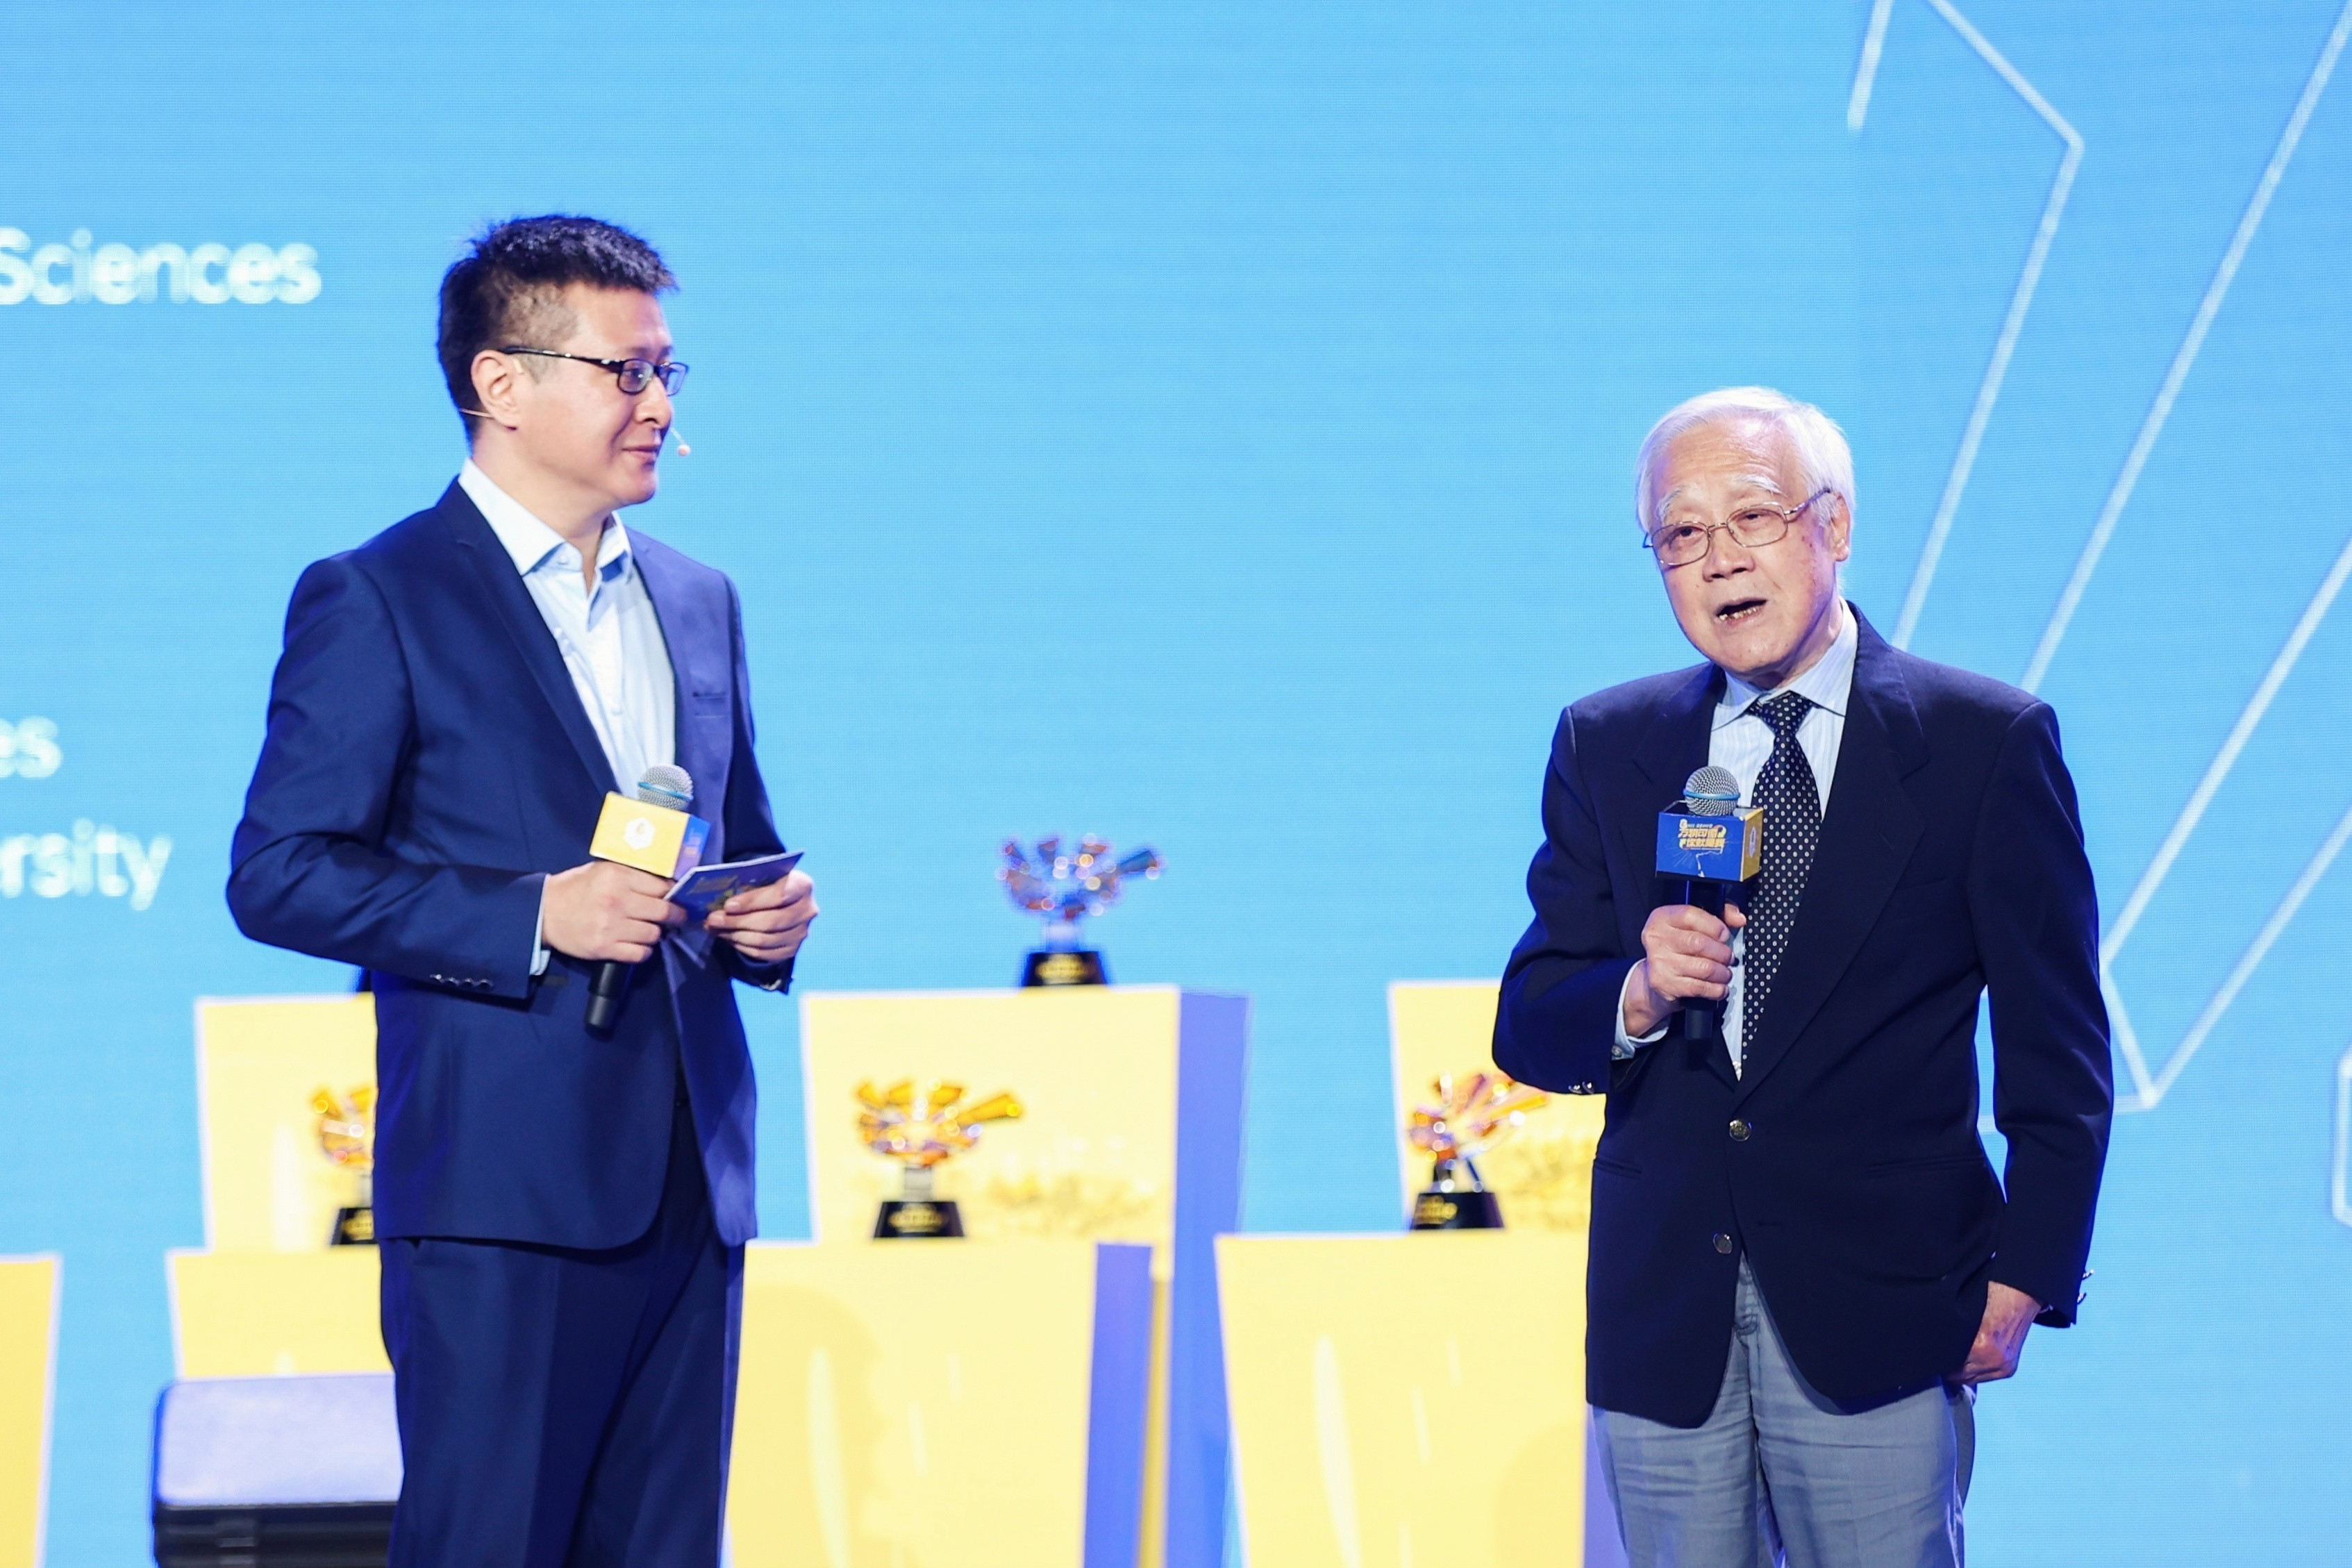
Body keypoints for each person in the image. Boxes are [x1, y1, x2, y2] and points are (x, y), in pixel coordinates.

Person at [228, 215, 817, 1567]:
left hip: (689, 1179)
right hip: (500, 1191)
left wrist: (764, 922)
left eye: (668, 372)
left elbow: (737, 839)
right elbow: (278, 873)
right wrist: (530, 915)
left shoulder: (698, 598)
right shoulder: (381, 596)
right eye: (627, 372)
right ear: (502, 383)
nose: (659, 406)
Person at [1492, 387, 2111, 1567]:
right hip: (1666, 1322)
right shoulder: (1608, 744)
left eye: (1754, 517)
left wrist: (2029, 1272)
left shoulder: (1981, 743)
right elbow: (1531, 1016)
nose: (1720, 558)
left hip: (1886, 1308)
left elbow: (2060, 1049)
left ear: (1835, 526)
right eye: (1682, 533)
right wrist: (1635, 994)